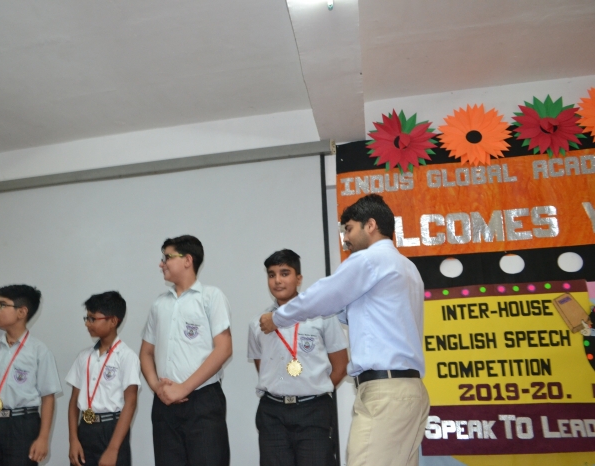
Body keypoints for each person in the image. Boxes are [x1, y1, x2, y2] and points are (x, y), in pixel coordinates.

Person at [260, 194, 430, 466]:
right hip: (410, 391)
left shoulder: (369, 260)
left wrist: (278, 318)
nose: (346, 239)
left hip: (385, 394)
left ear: (370, 225)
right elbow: (352, 311)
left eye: (349, 229)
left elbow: (322, 295)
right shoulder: (407, 268)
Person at [249, 249, 348, 466]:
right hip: (272, 413)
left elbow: (340, 366)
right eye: (272, 275)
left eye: (285, 273)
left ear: (299, 279)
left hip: (313, 411)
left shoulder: (322, 316)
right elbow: (262, 366)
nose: (277, 280)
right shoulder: (258, 323)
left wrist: (313, 389)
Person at [139, 235, 232, 466]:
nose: (161, 264)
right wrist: (156, 387)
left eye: (167, 258)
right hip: (164, 405)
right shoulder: (159, 304)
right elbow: (146, 353)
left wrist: (183, 388)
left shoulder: (211, 297)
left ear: (188, 260)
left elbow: (224, 349)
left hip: (203, 401)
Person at [0, 285, 62, 466]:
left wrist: (43, 438)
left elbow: (48, 398)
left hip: (22, 425)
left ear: (21, 312)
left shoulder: (39, 351)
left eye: (1, 305)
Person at [66, 291, 140, 466]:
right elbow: (74, 401)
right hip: (85, 429)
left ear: (113, 321)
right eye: (87, 318)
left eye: (93, 319)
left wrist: (113, 449)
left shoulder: (126, 356)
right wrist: (73, 440)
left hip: (112, 430)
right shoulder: (84, 357)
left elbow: (130, 402)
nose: (87, 323)